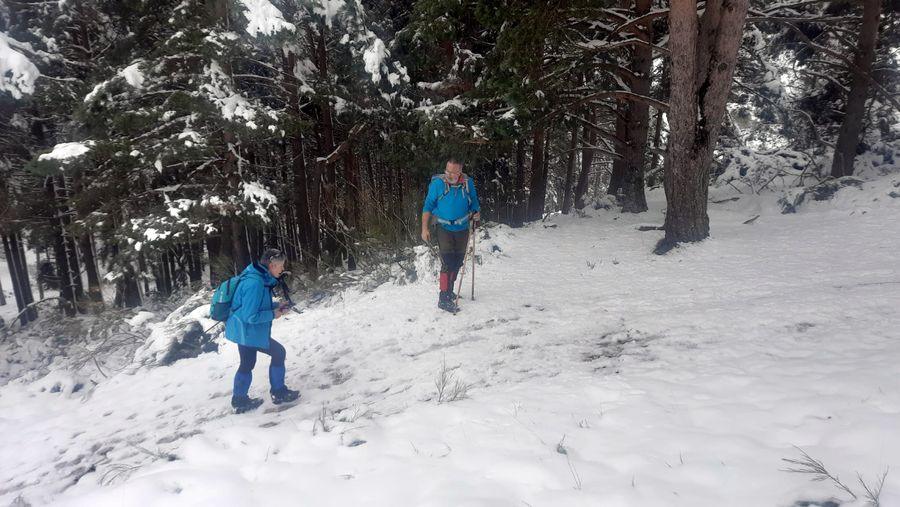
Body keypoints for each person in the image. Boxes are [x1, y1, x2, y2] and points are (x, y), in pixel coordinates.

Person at [225, 248, 300, 413]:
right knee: (279, 352)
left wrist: (277, 305)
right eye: (281, 266)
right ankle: (279, 393)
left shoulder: (257, 277)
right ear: (272, 265)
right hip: (248, 331)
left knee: (247, 363)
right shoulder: (255, 283)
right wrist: (274, 313)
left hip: (242, 330)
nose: (282, 269)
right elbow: (250, 315)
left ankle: (239, 400)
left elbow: (254, 306)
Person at [421, 157, 481, 312]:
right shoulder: (438, 184)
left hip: (462, 228)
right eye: (447, 171)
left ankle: (450, 290)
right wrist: (424, 229)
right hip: (444, 228)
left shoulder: (467, 183)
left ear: (460, 171)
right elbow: (427, 206)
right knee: (447, 263)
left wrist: (476, 212)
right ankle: (443, 298)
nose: (449, 175)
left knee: (458, 261)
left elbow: (474, 202)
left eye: (453, 172)